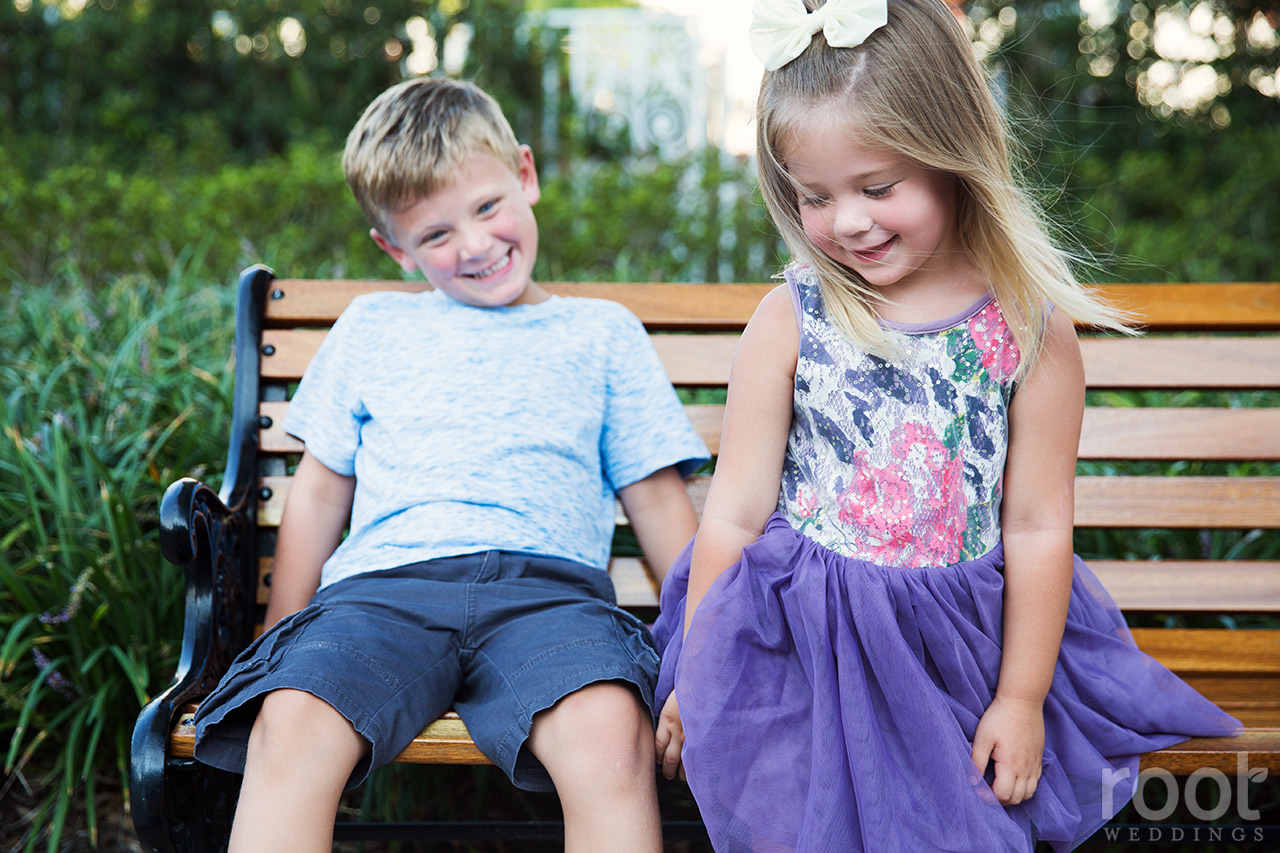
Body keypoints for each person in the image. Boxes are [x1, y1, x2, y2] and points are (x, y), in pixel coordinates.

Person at [650, 1, 1241, 850]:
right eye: (815, 196)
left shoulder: (1027, 328)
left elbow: (1036, 525)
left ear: (952, 155)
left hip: (959, 648)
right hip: (809, 639)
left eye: (878, 187)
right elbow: (735, 515)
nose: (848, 220)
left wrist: (1021, 698)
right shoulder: (791, 318)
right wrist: (698, 672)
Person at [192, 77, 709, 852]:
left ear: (526, 176)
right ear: (393, 248)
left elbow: (661, 504)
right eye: (434, 235)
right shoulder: (375, 327)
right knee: (293, 720)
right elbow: (320, 490)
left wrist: (702, 653)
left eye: (488, 207)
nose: (472, 244)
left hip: (551, 598)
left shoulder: (602, 335)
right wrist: (281, 633)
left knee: (610, 735)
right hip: (383, 594)